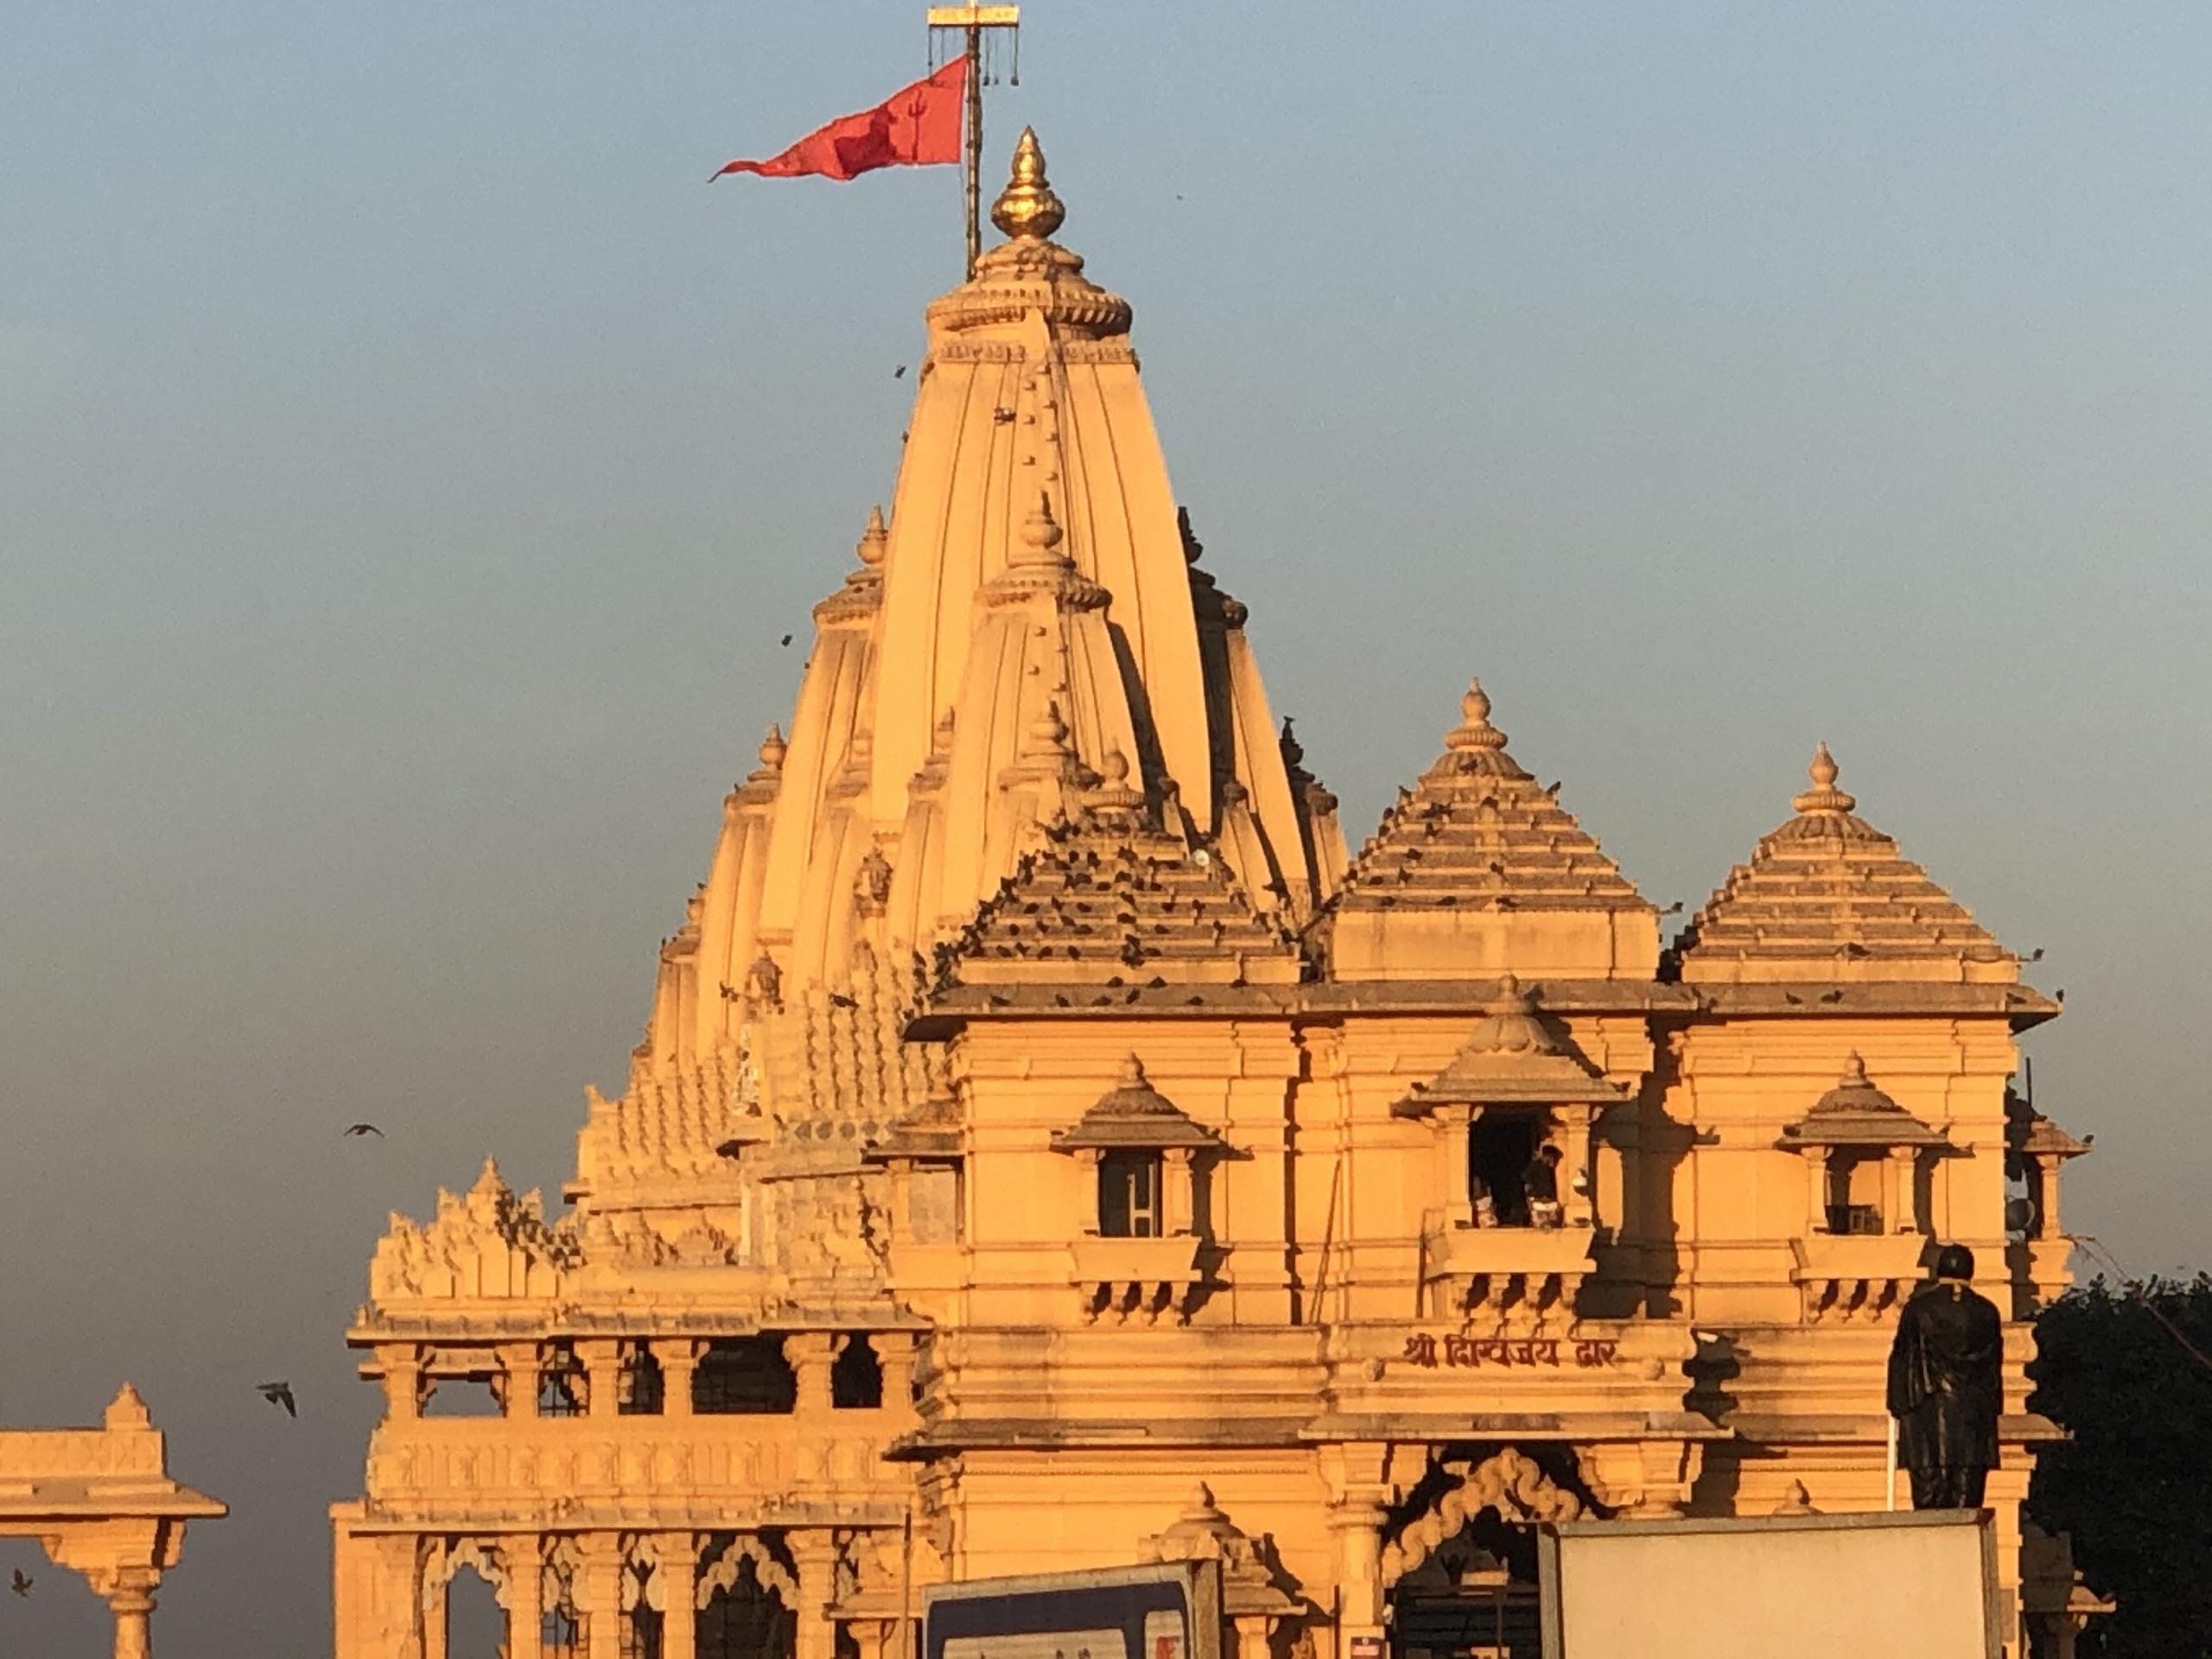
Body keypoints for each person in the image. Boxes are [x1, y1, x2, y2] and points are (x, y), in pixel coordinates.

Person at [1885, 1243, 2003, 1509]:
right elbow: (1995, 1372)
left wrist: (1897, 1405)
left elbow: (1901, 1360)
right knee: (1968, 1496)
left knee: (1929, 1495)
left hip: (1926, 1412)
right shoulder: (1987, 1312)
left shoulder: (1918, 1309)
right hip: (1974, 1418)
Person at [1522, 1145, 1565, 1230]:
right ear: (1547, 1156)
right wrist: (1529, 1199)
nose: (1553, 1160)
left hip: (1549, 1202)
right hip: (1537, 1201)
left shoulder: (1550, 1170)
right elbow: (1526, 1182)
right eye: (1552, 1157)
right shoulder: (1534, 1166)